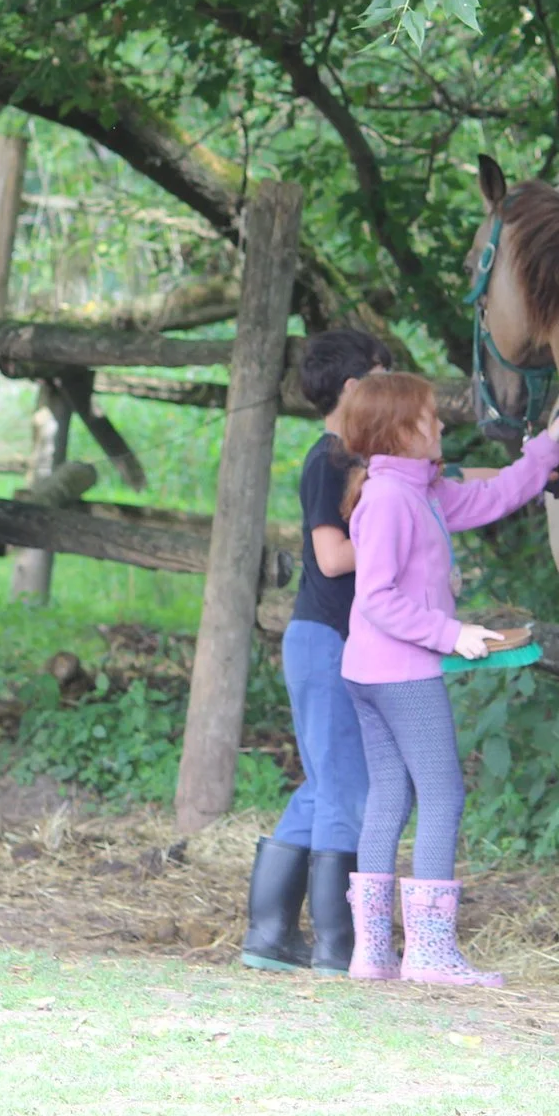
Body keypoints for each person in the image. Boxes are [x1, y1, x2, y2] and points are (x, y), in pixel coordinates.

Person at [338, 373, 559, 986]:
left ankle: (374, 954)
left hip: (369, 671)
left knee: (391, 796)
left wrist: (547, 446)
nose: (441, 425)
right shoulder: (392, 500)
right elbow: (377, 599)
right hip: (401, 673)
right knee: (443, 795)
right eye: (430, 418)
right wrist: (455, 635)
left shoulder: (420, 491)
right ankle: (432, 955)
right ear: (402, 430)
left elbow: (496, 496)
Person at [241, 328, 393, 974]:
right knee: (345, 790)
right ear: (355, 390)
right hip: (325, 640)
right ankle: (340, 944)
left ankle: (270, 932)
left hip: (326, 641)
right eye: (383, 382)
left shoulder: (352, 461)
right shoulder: (330, 461)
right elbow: (332, 558)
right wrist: (398, 545)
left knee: (325, 785)